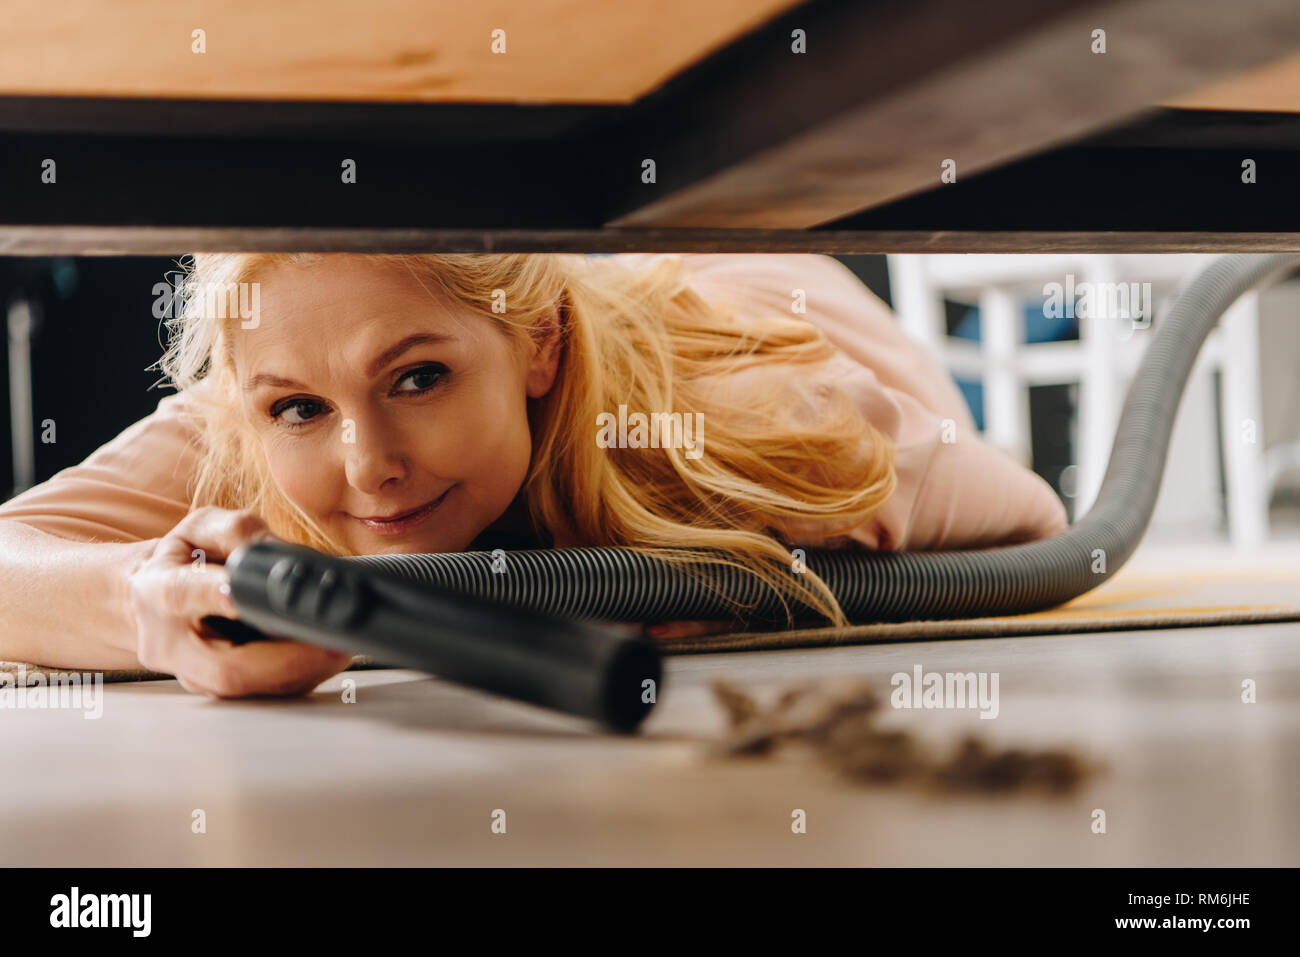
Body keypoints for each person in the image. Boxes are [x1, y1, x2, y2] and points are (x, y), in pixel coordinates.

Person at [0, 253, 1067, 697]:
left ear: (541, 346)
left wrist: (720, 579)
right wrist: (143, 608)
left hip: (747, 282)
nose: (367, 465)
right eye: (299, 410)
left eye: (417, 379)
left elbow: (1037, 524)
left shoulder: (759, 423)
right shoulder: (259, 407)